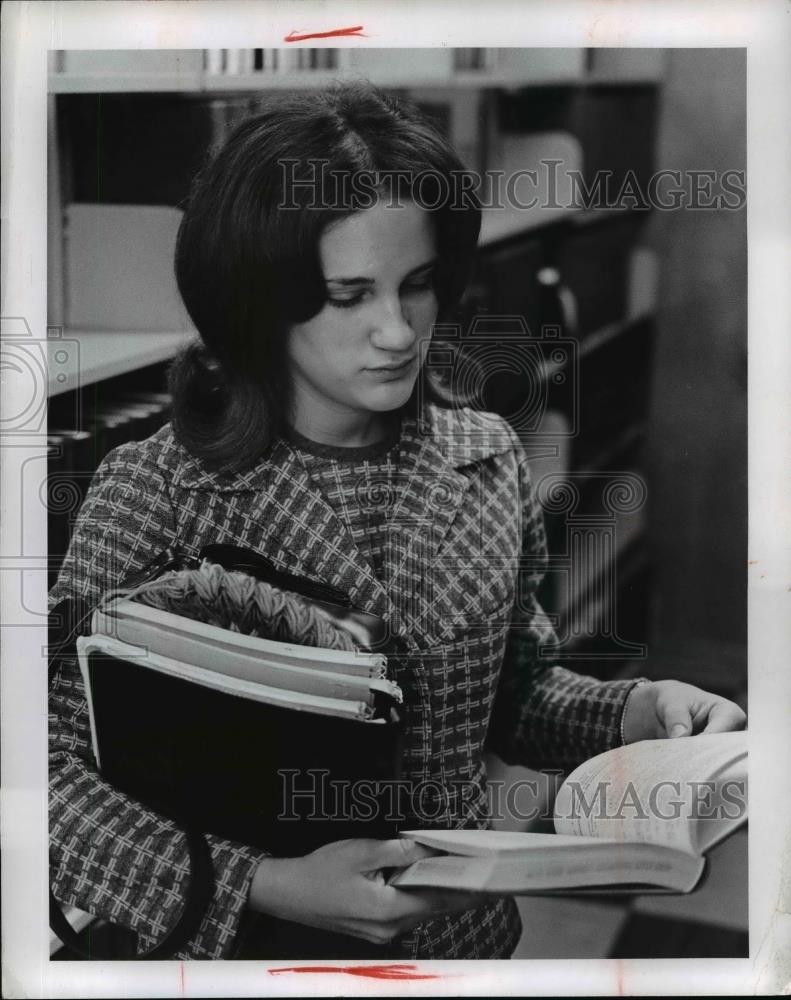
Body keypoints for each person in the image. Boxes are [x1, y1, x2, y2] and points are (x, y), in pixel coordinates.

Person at [48, 81, 746, 961]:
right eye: (349, 296)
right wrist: (258, 882)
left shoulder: (487, 457)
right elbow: (42, 785)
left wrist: (635, 712)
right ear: (256, 299)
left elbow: (513, 692)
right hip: (234, 955)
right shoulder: (152, 490)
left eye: (416, 285)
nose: (396, 331)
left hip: (459, 944)